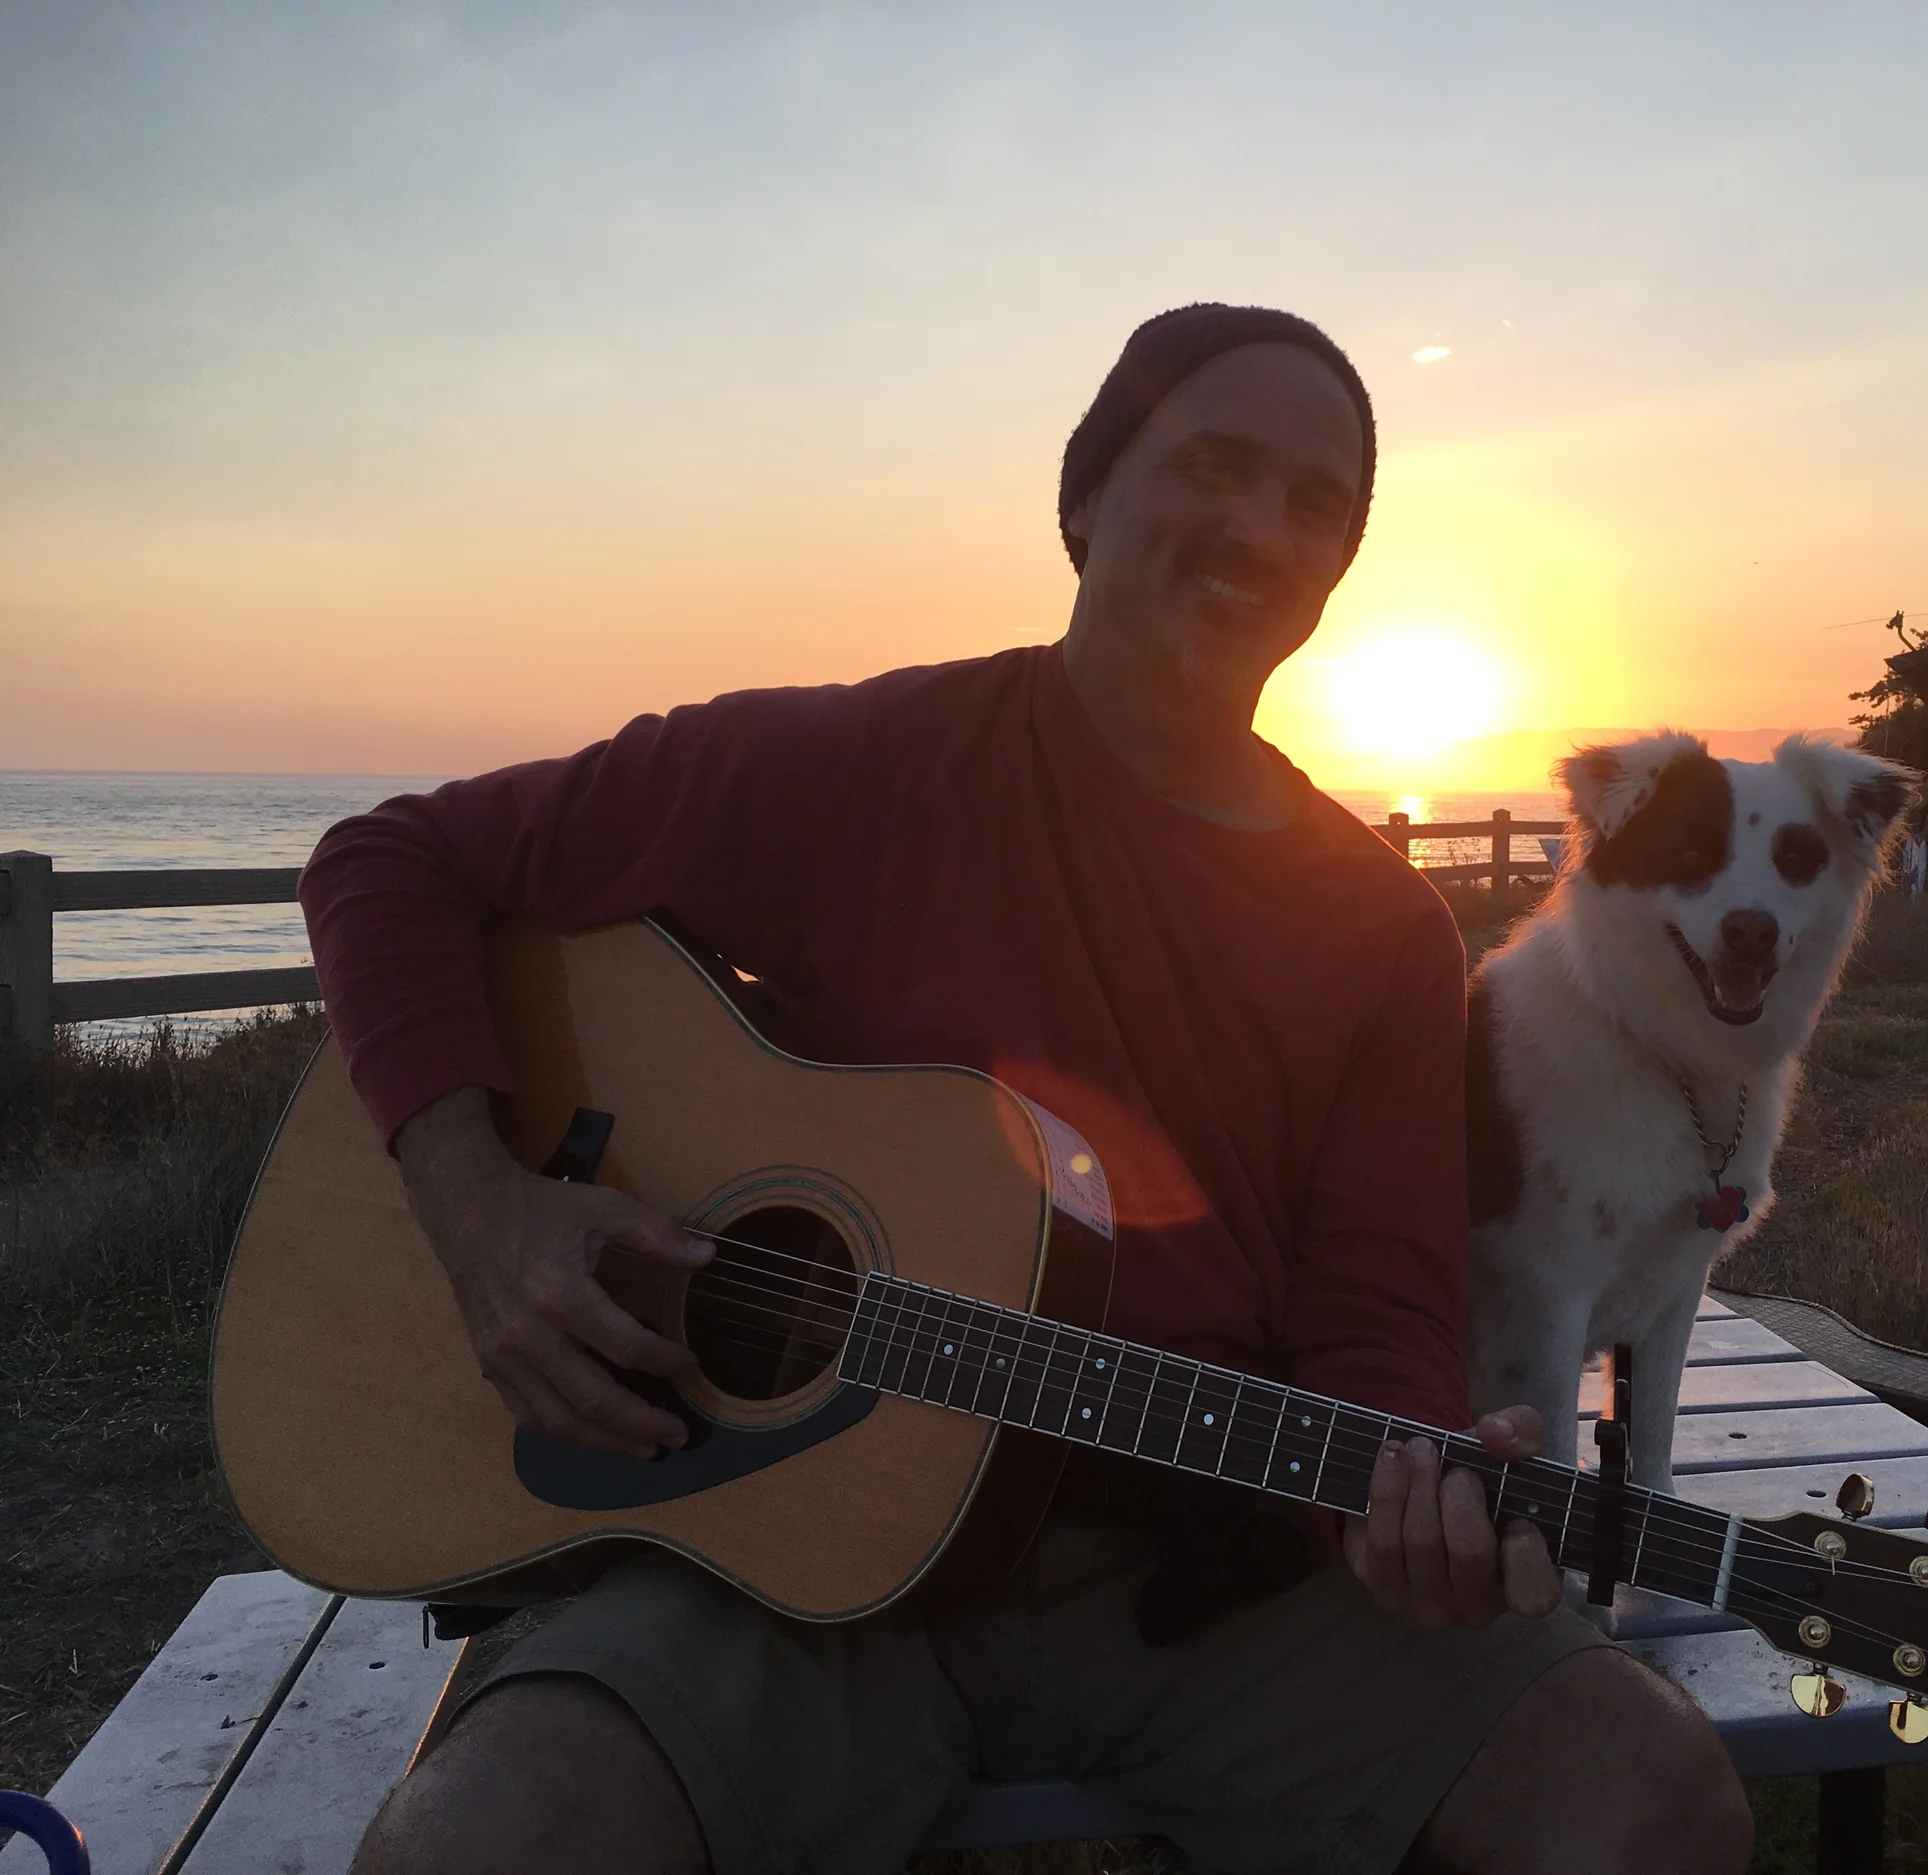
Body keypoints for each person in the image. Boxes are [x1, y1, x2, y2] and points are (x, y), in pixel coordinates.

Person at [305, 303, 1752, 1875]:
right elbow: (391, 863)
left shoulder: (1381, 932)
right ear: (1082, 500)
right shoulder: (858, 766)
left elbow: (1376, 1317)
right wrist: (480, 1207)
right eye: (1213, 464)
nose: (1261, 528)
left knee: (1648, 1799)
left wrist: (1414, 1492)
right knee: (482, 1844)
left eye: (1315, 506)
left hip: (1211, 1576)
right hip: (780, 1546)